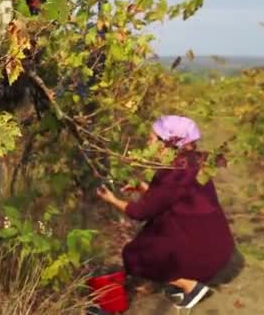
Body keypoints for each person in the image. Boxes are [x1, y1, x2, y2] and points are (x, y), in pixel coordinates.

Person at [95, 115, 236, 310]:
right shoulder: (189, 162)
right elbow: (174, 198)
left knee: (135, 254)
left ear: (167, 144)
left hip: (205, 254)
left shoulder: (174, 172)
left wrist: (110, 199)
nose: (148, 143)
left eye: (151, 139)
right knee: (152, 236)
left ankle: (190, 285)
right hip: (216, 245)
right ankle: (185, 276)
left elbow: (139, 212)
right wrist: (144, 189)